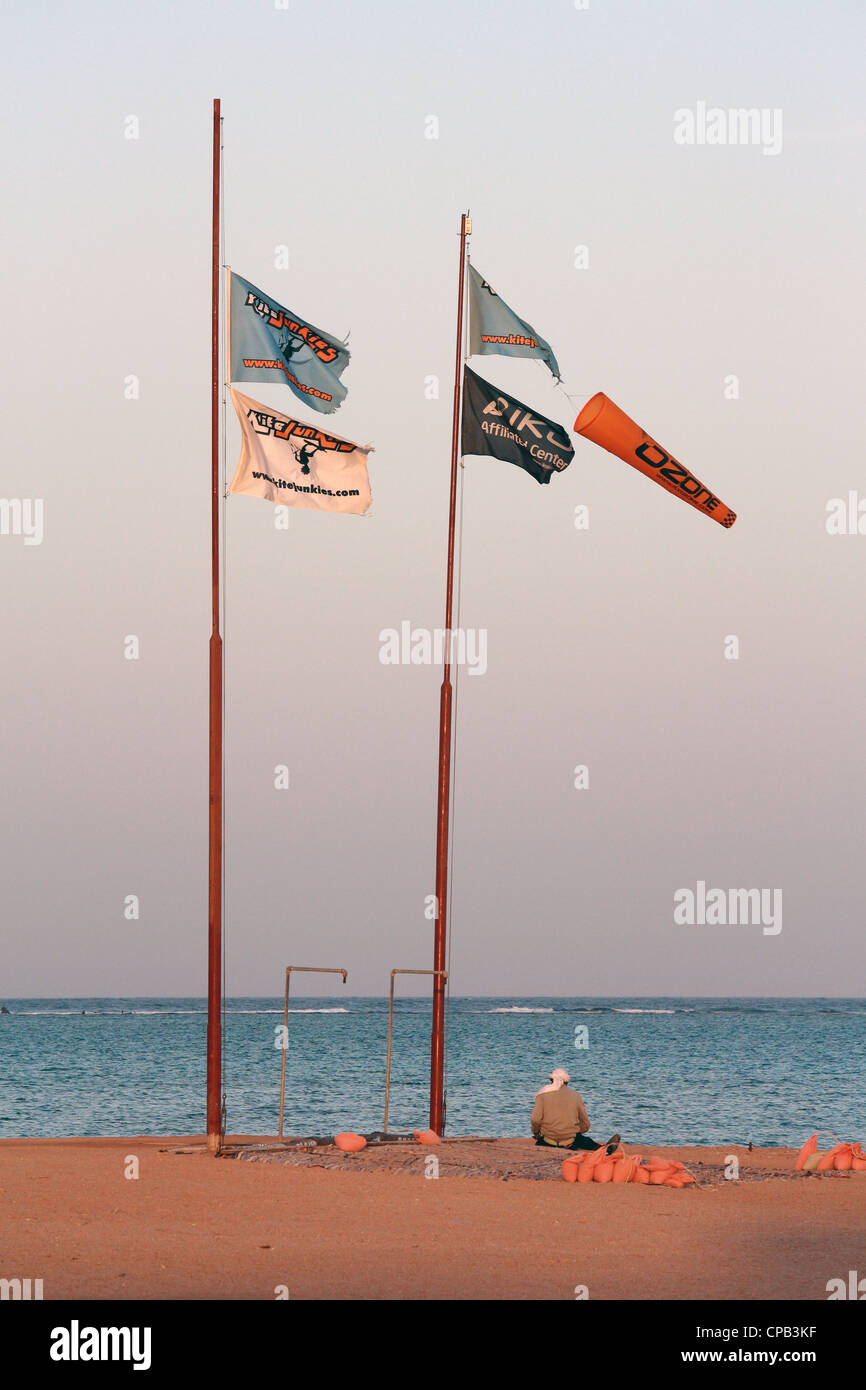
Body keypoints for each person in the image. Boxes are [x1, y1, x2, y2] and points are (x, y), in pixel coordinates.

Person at [531, 1068, 620, 1152]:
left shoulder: (541, 1095)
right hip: (570, 1142)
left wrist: (537, 1132)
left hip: (548, 1141)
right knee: (584, 1140)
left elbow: (535, 1119)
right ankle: (604, 1150)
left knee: (541, 1138)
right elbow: (586, 1124)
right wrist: (573, 1130)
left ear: (551, 1081)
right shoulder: (575, 1095)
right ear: (567, 1082)